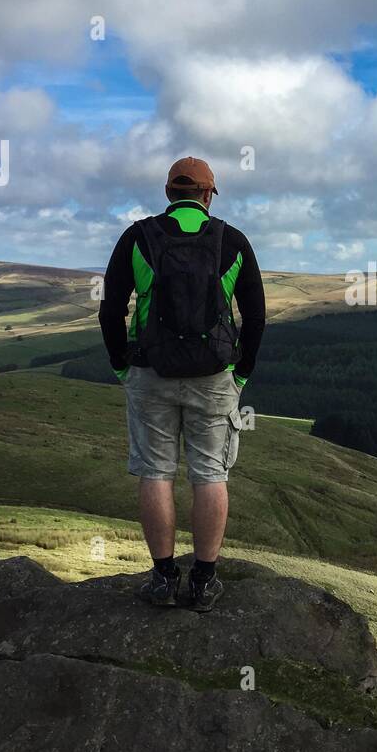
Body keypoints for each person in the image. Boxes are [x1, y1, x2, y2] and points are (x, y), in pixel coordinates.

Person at [99, 156, 265, 611]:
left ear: (169, 193)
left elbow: (111, 309)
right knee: (210, 474)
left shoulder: (137, 237)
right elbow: (255, 317)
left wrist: (122, 367)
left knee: (156, 472)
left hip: (150, 372)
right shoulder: (232, 240)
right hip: (214, 376)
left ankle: (164, 578)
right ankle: (204, 581)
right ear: (209, 195)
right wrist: (242, 373)